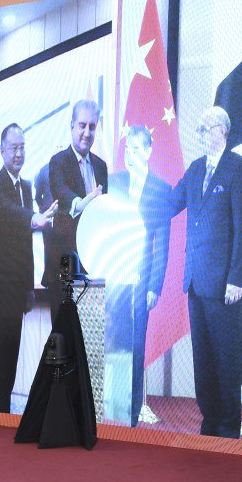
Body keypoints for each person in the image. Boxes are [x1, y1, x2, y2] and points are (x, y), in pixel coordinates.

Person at [165, 106, 242, 439]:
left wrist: (236, 278)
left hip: (223, 285)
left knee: (224, 359)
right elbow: (171, 204)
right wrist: (141, 188)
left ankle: (228, 428)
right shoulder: (195, 169)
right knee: (203, 360)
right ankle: (210, 423)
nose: (200, 134)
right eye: (199, 129)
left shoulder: (238, 169)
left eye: (205, 128)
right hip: (195, 282)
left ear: (221, 130)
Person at [0, 124, 57, 413]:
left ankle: (3, 417)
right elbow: (8, 214)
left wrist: (29, 288)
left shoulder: (27, 187)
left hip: (17, 292)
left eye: (22, 147)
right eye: (13, 147)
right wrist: (33, 218)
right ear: (2, 151)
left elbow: (25, 245)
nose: (19, 153)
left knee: (10, 365)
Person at [107, 125, 171, 426]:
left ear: (147, 151)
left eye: (135, 149)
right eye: (126, 149)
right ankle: (113, 412)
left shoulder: (160, 189)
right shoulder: (114, 182)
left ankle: (130, 417)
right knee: (114, 346)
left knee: (134, 348)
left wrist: (155, 286)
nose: (129, 155)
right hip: (115, 279)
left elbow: (163, 242)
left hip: (141, 281)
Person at [43, 100, 108, 317]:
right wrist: (85, 202)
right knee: (64, 341)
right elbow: (62, 194)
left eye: (92, 126)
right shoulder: (58, 162)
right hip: (65, 267)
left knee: (88, 342)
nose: (87, 132)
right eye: (82, 125)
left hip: (93, 270)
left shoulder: (101, 166)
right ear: (72, 125)